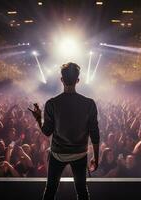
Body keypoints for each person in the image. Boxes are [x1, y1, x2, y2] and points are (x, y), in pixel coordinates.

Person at [29, 62, 100, 200]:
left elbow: (47, 132)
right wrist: (96, 159)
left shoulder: (52, 103)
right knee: (82, 192)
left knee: (50, 191)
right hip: (79, 154)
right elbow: (95, 134)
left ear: (61, 80)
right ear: (77, 81)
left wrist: (38, 118)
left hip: (58, 154)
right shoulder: (89, 104)